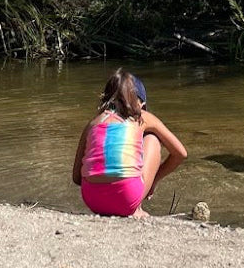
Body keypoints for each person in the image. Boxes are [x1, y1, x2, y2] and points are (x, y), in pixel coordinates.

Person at [72, 69, 187, 217]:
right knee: (152, 139)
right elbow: (181, 154)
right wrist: (154, 180)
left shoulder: (93, 123)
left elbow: (76, 177)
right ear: (138, 102)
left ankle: (121, 201)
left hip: (93, 201)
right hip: (126, 199)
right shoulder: (141, 117)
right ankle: (136, 209)